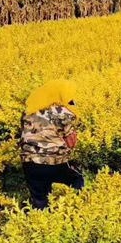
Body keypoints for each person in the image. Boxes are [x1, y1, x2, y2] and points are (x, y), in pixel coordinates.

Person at [20, 80, 84, 209]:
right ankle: (78, 208)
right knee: (77, 180)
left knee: (39, 197)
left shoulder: (28, 112)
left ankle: (40, 219)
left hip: (29, 162)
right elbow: (71, 141)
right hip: (54, 161)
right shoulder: (63, 112)